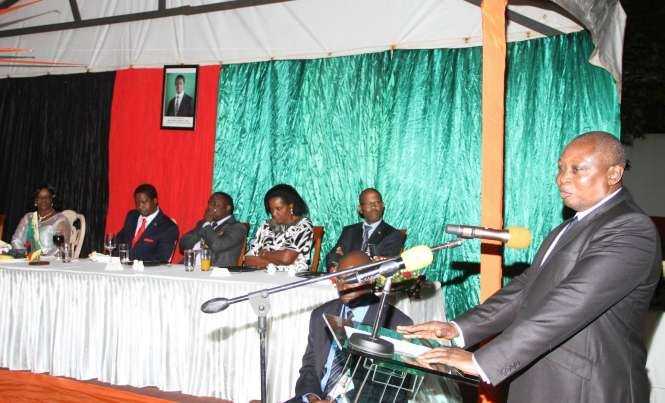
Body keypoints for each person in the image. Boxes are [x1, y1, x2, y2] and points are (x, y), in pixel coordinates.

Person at [398, 132, 662, 402]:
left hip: (587, 389)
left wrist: (484, 362)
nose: (562, 178)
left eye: (577, 169)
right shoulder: (571, 226)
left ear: (614, 173)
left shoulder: (630, 228)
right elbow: (527, 288)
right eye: (560, 168)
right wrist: (458, 329)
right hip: (542, 380)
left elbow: (571, 303)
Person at [289, 251, 413, 403]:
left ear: (371, 278)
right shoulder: (321, 314)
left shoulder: (396, 323)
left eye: (351, 279)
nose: (342, 285)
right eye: (340, 278)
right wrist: (311, 397)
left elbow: (390, 388)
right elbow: (310, 367)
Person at [325, 188, 405, 270]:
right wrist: (334, 267)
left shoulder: (394, 235)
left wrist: (346, 260)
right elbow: (334, 255)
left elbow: (384, 265)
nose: (374, 206)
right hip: (343, 277)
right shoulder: (349, 231)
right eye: (369, 203)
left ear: (382, 206)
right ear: (360, 209)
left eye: (377, 202)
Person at [244, 184, 313, 272]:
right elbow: (248, 259)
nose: (274, 213)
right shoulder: (266, 225)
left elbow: (286, 258)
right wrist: (277, 260)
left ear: (291, 206)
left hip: (291, 278)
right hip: (263, 275)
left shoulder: (303, 225)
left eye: (278, 208)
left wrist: (264, 254)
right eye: (271, 209)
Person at [179, 192, 248, 267]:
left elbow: (217, 245)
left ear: (228, 208)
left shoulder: (237, 227)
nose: (210, 207)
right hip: (190, 267)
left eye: (214, 204)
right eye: (209, 203)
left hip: (215, 271)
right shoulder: (203, 223)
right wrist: (200, 231)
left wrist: (207, 225)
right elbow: (183, 245)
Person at [116, 183, 179, 263]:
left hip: (146, 271)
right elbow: (119, 241)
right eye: (137, 202)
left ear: (155, 201)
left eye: (144, 202)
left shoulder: (168, 227)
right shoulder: (132, 216)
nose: (140, 206)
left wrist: (133, 262)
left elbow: (161, 258)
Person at [11, 184, 71, 255]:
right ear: (35, 201)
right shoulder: (28, 217)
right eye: (40, 197)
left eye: (47, 197)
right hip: (27, 260)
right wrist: (25, 254)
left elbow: (61, 247)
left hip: (50, 262)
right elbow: (16, 240)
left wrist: (42, 257)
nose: (43, 199)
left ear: (52, 199)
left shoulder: (60, 220)